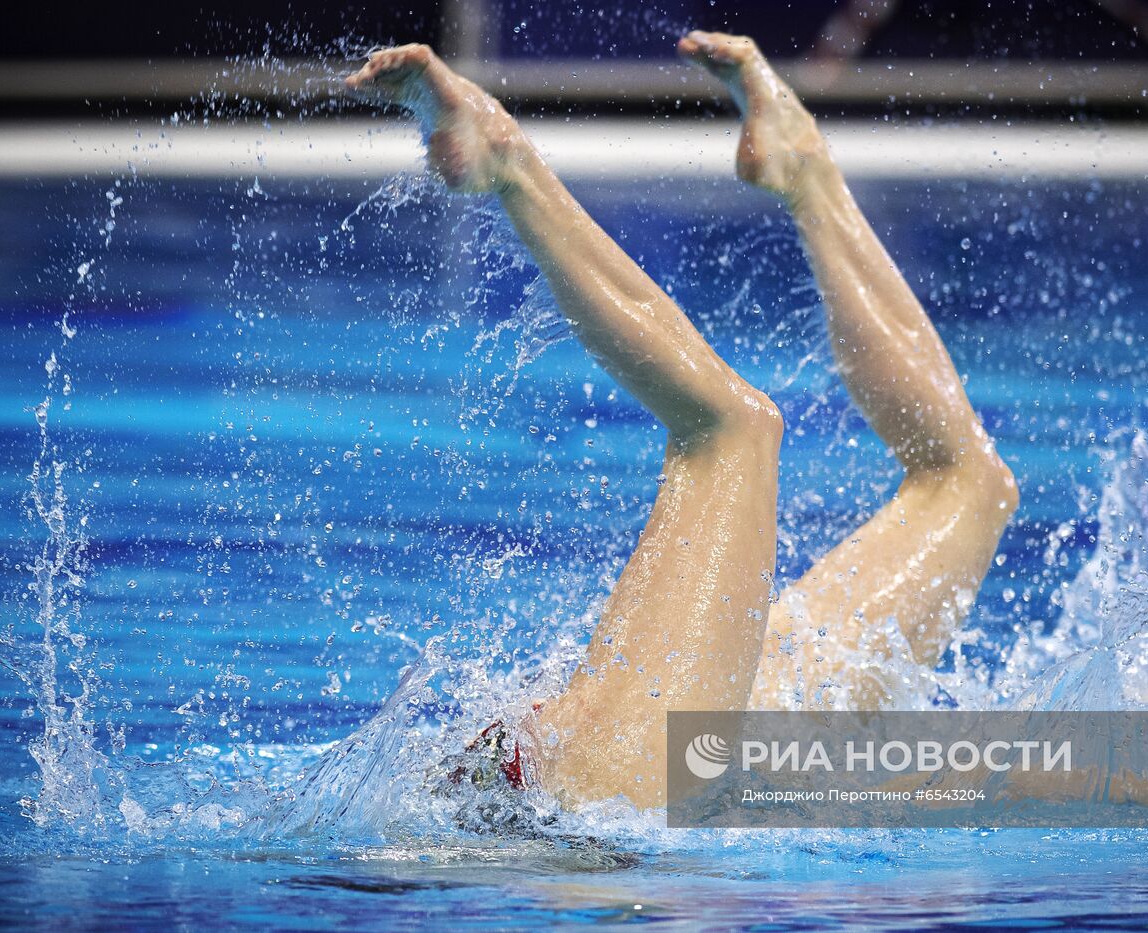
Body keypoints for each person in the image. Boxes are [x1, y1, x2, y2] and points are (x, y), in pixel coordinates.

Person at [344, 31, 1019, 811]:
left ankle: (805, 173)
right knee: (734, 432)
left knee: (964, 482)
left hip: (617, 793)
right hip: (623, 802)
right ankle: (508, 167)